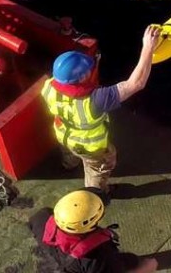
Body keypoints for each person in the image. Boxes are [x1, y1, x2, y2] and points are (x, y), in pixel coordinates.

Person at [41, 25, 161, 199]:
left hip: (63, 134)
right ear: (81, 78)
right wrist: (148, 48)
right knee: (99, 168)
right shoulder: (96, 100)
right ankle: (97, 194)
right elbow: (136, 84)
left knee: (71, 151)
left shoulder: (49, 86)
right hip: (90, 148)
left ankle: (69, 162)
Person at [29, 189, 158, 273]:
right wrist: (147, 268)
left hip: (63, 262)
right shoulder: (100, 256)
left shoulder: (41, 217)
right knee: (135, 262)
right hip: (90, 268)